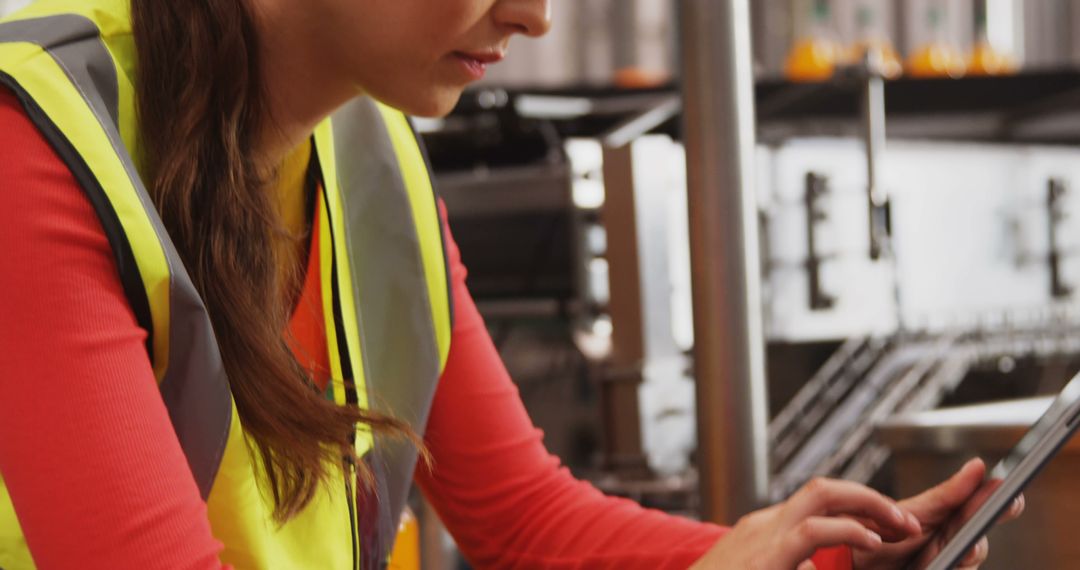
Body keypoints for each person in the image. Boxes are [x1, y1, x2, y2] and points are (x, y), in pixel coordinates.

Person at [0, 0, 1020, 568]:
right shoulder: (37, 138)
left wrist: (788, 558)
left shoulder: (374, 156)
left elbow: (524, 519)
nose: (534, 14)